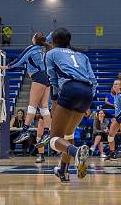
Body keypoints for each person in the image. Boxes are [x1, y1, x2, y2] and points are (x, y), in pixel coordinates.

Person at [45, 28, 97, 182]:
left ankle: (76, 152)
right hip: (87, 92)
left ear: (54, 42)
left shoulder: (51, 53)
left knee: (54, 139)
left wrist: (54, 103)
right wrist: (88, 100)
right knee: (68, 135)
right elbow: (93, 80)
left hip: (70, 90)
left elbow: (52, 80)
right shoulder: (82, 55)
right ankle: (63, 171)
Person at [0, 32, 51, 148]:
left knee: (32, 106)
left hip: (38, 77)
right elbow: (48, 38)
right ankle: (48, 132)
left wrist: (6, 67)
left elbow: (19, 60)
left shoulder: (32, 49)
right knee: (44, 108)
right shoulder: (43, 47)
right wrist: (53, 33)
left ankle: (25, 131)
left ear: (34, 39)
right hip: (46, 78)